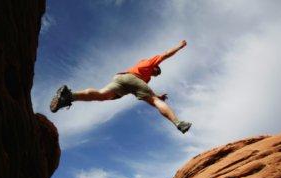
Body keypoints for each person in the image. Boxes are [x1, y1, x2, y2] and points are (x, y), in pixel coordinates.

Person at [50, 40, 192, 134]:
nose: (156, 74)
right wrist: (180, 46)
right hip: (133, 80)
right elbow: (166, 54)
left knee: (102, 95)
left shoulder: (144, 72)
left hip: (121, 78)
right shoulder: (150, 64)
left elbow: (139, 89)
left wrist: (157, 95)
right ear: (155, 68)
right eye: (157, 72)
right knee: (155, 102)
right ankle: (179, 123)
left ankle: (69, 96)